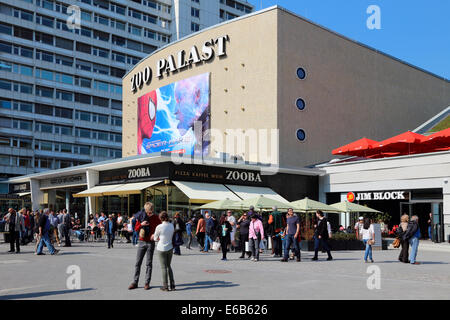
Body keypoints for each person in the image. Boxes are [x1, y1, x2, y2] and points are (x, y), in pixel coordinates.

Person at [128, 202, 161, 290]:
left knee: (149, 263)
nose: (150, 213)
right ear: (145, 210)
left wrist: (155, 235)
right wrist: (141, 224)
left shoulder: (155, 218)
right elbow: (135, 229)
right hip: (142, 242)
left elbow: (160, 228)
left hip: (150, 242)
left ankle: (147, 283)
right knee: (138, 263)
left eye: (151, 211)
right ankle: (135, 282)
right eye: (149, 211)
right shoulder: (141, 217)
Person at [154, 211, 176, 291]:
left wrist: (156, 237)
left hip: (161, 248)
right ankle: (172, 284)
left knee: (163, 268)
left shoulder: (159, 226)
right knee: (169, 266)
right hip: (170, 247)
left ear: (161, 218)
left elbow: (155, 238)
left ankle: (165, 286)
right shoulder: (171, 225)